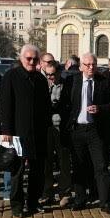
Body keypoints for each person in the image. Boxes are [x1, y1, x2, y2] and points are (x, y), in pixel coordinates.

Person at [60, 53, 110, 214]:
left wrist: (100, 109)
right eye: (88, 65)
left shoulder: (103, 82)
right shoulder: (72, 81)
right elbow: (65, 104)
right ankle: (80, 199)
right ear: (81, 66)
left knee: (101, 167)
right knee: (78, 166)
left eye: (94, 64)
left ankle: (105, 202)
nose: (91, 67)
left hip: (95, 130)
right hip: (77, 129)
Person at [0, 44, 51, 217]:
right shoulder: (11, 76)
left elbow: (46, 107)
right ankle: (17, 206)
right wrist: (6, 130)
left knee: (37, 171)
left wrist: (48, 128)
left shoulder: (41, 79)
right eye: (28, 58)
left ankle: (33, 203)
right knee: (17, 172)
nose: (31, 61)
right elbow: (5, 105)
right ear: (21, 59)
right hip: (17, 133)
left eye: (35, 59)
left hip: (38, 133)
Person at [42, 61, 71, 204]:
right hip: (47, 128)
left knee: (64, 162)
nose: (50, 77)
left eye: (52, 74)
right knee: (46, 162)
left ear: (59, 72)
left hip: (62, 128)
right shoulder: (43, 85)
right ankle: (47, 192)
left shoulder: (67, 85)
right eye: (47, 74)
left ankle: (64, 192)